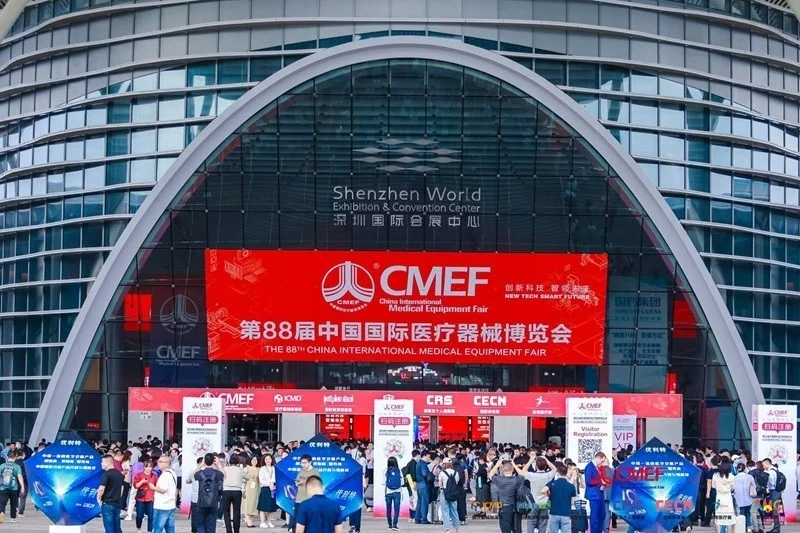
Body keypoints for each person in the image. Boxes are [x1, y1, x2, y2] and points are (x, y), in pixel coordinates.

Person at [517, 454, 557, 533]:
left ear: (536, 466)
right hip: (545, 503)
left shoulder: (532, 475)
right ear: (545, 466)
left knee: (531, 523)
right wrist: (545, 459)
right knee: (543, 524)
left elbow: (523, 471)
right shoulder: (548, 475)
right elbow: (554, 468)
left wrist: (530, 461)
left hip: (533, 503)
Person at [290, 454, 320, 533]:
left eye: (305, 463)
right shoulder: (301, 470)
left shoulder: (315, 472)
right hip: (299, 499)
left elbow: (317, 484)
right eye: (301, 463)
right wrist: (297, 483)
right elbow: (297, 480)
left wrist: (304, 482)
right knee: (297, 519)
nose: (303, 465)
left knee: (309, 519)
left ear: (310, 462)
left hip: (310, 500)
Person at [195, 453, 224, 533]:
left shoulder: (199, 473)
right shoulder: (217, 473)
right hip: (213, 502)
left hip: (201, 502)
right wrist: (219, 465)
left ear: (204, 461)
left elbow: (194, 475)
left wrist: (201, 465)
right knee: (211, 526)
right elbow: (224, 476)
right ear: (213, 461)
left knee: (200, 525)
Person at [491, 459, 522, 533]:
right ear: (512, 469)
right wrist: (514, 464)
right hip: (516, 508)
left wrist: (497, 464)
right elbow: (522, 474)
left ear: (503, 470)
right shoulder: (517, 480)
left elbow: (490, 475)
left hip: (504, 508)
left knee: (505, 529)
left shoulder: (499, 480)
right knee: (517, 529)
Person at [543, 465, 577, 533]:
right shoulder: (571, 486)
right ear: (566, 473)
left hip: (554, 512)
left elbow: (543, 490)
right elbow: (572, 500)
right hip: (566, 513)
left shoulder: (552, 483)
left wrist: (548, 494)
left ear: (557, 473)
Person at [98, 454, 125, 533]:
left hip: (107, 504)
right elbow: (122, 489)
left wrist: (99, 499)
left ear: (108, 463)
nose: (101, 464)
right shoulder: (120, 474)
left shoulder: (106, 474)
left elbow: (101, 489)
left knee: (109, 527)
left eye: (102, 462)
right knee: (117, 527)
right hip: (117, 504)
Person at [152, 455, 178, 533]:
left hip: (162, 505)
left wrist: (153, 487)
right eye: (158, 461)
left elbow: (163, 489)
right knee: (170, 527)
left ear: (167, 463)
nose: (158, 463)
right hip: (170, 504)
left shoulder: (165, 475)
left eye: (160, 462)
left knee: (157, 528)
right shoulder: (172, 473)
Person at [584, 452, 609, 533]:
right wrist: (600, 482)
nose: (602, 463)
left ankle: (598, 531)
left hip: (600, 493)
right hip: (594, 494)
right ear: (598, 458)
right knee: (594, 516)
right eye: (602, 461)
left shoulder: (597, 467)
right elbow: (588, 481)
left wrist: (603, 483)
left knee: (602, 515)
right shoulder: (589, 467)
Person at [133, 459, 159, 533]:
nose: (148, 468)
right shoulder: (139, 474)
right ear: (144, 467)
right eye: (146, 467)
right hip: (141, 498)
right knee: (139, 516)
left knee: (151, 516)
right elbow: (136, 486)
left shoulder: (154, 476)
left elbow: (157, 486)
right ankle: (139, 528)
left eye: (150, 467)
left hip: (150, 498)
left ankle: (149, 530)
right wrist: (142, 481)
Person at [221, 454, 245, 533]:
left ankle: (229, 530)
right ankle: (236, 531)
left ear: (229, 461)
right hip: (237, 491)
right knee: (236, 512)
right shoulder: (240, 470)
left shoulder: (225, 469)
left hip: (226, 491)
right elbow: (246, 477)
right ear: (238, 461)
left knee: (226, 512)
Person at [0, 451, 25, 523]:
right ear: (15, 457)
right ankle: (12, 518)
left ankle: (1, 513)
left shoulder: (2, 466)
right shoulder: (17, 466)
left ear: (7, 457)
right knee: (13, 503)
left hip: (3, 487)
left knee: (2, 502)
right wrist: (22, 486)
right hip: (14, 488)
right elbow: (19, 476)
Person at [712, 460, 736, 533]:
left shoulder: (715, 475)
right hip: (728, 498)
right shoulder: (731, 476)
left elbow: (713, 486)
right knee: (729, 517)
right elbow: (733, 487)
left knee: (719, 517)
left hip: (719, 497)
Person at [438, 456, 460, 533]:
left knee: (445, 511)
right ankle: (457, 528)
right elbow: (457, 482)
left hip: (444, 493)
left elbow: (440, 485)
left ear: (444, 464)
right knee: (454, 511)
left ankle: (447, 529)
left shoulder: (442, 473)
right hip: (454, 493)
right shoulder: (456, 473)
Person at [734, 463, 757, 531]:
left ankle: (741, 528)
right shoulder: (749, 477)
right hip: (748, 499)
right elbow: (754, 486)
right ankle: (748, 528)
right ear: (744, 469)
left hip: (738, 499)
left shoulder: (734, 478)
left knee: (741, 515)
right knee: (747, 514)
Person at [762, 458, 782, 533]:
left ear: (767, 464)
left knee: (775, 510)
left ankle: (776, 528)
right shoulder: (776, 469)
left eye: (763, 465)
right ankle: (776, 527)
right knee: (775, 510)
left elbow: (772, 483)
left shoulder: (770, 472)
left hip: (774, 492)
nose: (763, 467)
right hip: (777, 492)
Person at [258, 454, 278, 528]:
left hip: (273, 488)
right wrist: (268, 484)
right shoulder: (262, 468)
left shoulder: (274, 468)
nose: (267, 460)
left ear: (272, 460)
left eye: (269, 459)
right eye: (266, 459)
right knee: (263, 506)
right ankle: (262, 522)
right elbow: (261, 480)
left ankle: (269, 521)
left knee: (271, 506)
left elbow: (277, 478)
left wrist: (274, 485)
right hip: (265, 488)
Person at [415, 451, 434, 524]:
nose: (429, 459)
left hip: (419, 484)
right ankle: (424, 519)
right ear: (424, 456)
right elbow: (424, 474)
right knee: (424, 502)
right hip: (424, 484)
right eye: (428, 457)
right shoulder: (423, 464)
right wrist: (431, 474)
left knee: (419, 502)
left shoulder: (418, 463)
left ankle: (417, 518)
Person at [384, 457, 402, 531]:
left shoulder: (386, 471)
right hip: (397, 492)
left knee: (388, 509)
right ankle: (395, 525)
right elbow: (402, 482)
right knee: (396, 509)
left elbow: (383, 482)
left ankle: (389, 525)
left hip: (388, 492)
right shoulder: (399, 471)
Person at [243, 455, 260, 527]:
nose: (254, 461)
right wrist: (243, 489)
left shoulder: (259, 469)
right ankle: (248, 521)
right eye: (253, 460)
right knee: (247, 504)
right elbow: (243, 479)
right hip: (248, 487)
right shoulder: (246, 468)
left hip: (256, 488)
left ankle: (250, 521)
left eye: (256, 460)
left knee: (254, 505)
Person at [403, 450, 419, 523]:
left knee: (412, 499)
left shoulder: (410, 463)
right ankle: (413, 516)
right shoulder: (413, 463)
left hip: (409, 483)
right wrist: (415, 482)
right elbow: (414, 474)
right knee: (414, 500)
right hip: (412, 483)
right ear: (418, 455)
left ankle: (412, 516)